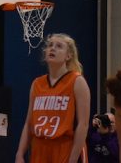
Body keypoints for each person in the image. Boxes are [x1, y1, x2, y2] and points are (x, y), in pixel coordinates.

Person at [15, 33, 91, 163]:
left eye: (59, 46)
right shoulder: (37, 84)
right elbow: (29, 123)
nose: (52, 48)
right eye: (50, 45)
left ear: (68, 56)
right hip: (39, 147)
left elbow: (83, 125)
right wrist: (20, 153)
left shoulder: (77, 81)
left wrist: (73, 158)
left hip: (65, 146)